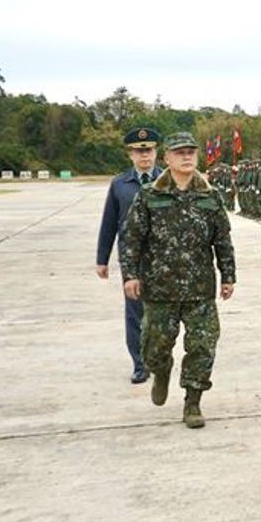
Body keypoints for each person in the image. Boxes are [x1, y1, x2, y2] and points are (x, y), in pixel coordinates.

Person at [120, 132, 236, 429]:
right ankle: (161, 372)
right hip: (160, 289)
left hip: (200, 289)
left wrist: (228, 276)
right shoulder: (149, 195)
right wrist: (130, 275)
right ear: (167, 158)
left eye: (191, 152)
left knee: (203, 346)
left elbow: (222, 240)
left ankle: (193, 402)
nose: (187, 157)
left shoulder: (210, 196)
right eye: (179, 152)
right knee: (154, 349)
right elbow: (132, 239)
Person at [96, 126, 162, 384]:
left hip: (163, 259)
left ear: (157, 153)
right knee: (135, 313)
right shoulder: (120, 184)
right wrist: (102, 259)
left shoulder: (168, 180)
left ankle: (158, 359)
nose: (144, 156)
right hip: (132, 259)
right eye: (138, 151)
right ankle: (140, 363)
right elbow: (108, 223)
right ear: (130, 154)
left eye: (149, 150)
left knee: (160, 313)